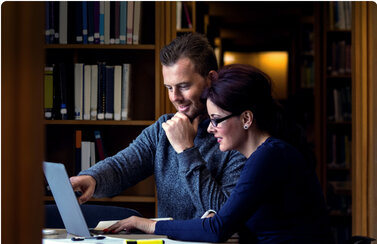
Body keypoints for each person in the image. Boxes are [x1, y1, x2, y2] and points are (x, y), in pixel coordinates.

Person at [106, 64, 330, 243]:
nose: (210, 128)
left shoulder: (268, 156)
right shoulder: (265, 154)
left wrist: (145, 223)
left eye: (216, 120)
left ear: (246, 119)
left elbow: (217, 229)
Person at [70, 33, 246, 220]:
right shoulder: (162, 128)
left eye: (184, 86)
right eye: (169, 88)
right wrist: (92, 178)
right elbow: (122, 167)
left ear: (211, 79)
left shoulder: (234, 134)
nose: (175, 97)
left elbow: (224, 214)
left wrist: (186, 150)